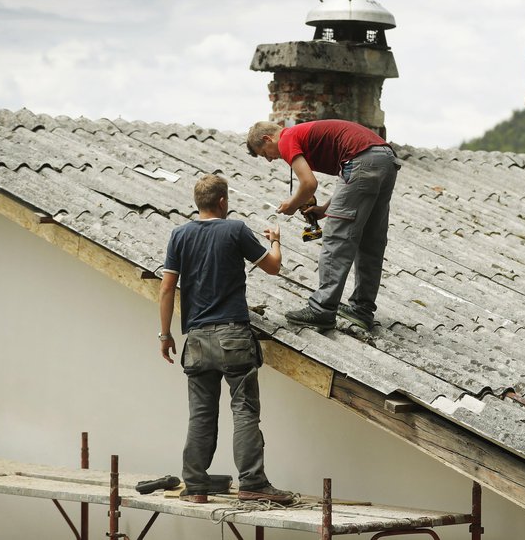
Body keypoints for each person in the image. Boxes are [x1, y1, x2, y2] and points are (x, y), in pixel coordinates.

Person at [159, 173, 294, 504]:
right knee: (244, 409)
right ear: (223, 201)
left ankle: (195, 487)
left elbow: (166, 287)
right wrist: (276, 239)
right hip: (233, 336)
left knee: (201, 415)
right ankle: (253, 484)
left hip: (196, 339)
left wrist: (165, 334)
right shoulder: (235, 230)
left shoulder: (179, 235)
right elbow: (274, 267)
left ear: (198, 202)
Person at [245, 119, 400, 331]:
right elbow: (350, 176)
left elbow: (309, 184)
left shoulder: (287, 138)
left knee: (337, 238)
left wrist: (292, 204)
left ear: (267, 138)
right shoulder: (307, 136)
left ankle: (322, 309)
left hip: (364, 160)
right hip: (385, 159)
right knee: (370, 240)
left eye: (265, 154)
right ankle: (362, 310)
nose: (271, 159)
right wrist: (325, 209)